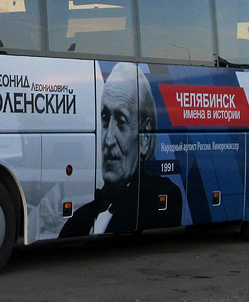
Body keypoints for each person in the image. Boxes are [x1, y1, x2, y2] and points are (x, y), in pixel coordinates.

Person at [60, 62, 182, 237]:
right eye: (104, 118)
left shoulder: (158, 198)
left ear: (145, 137)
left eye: (121, 121)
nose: (108, 139)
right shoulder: (80, 219)